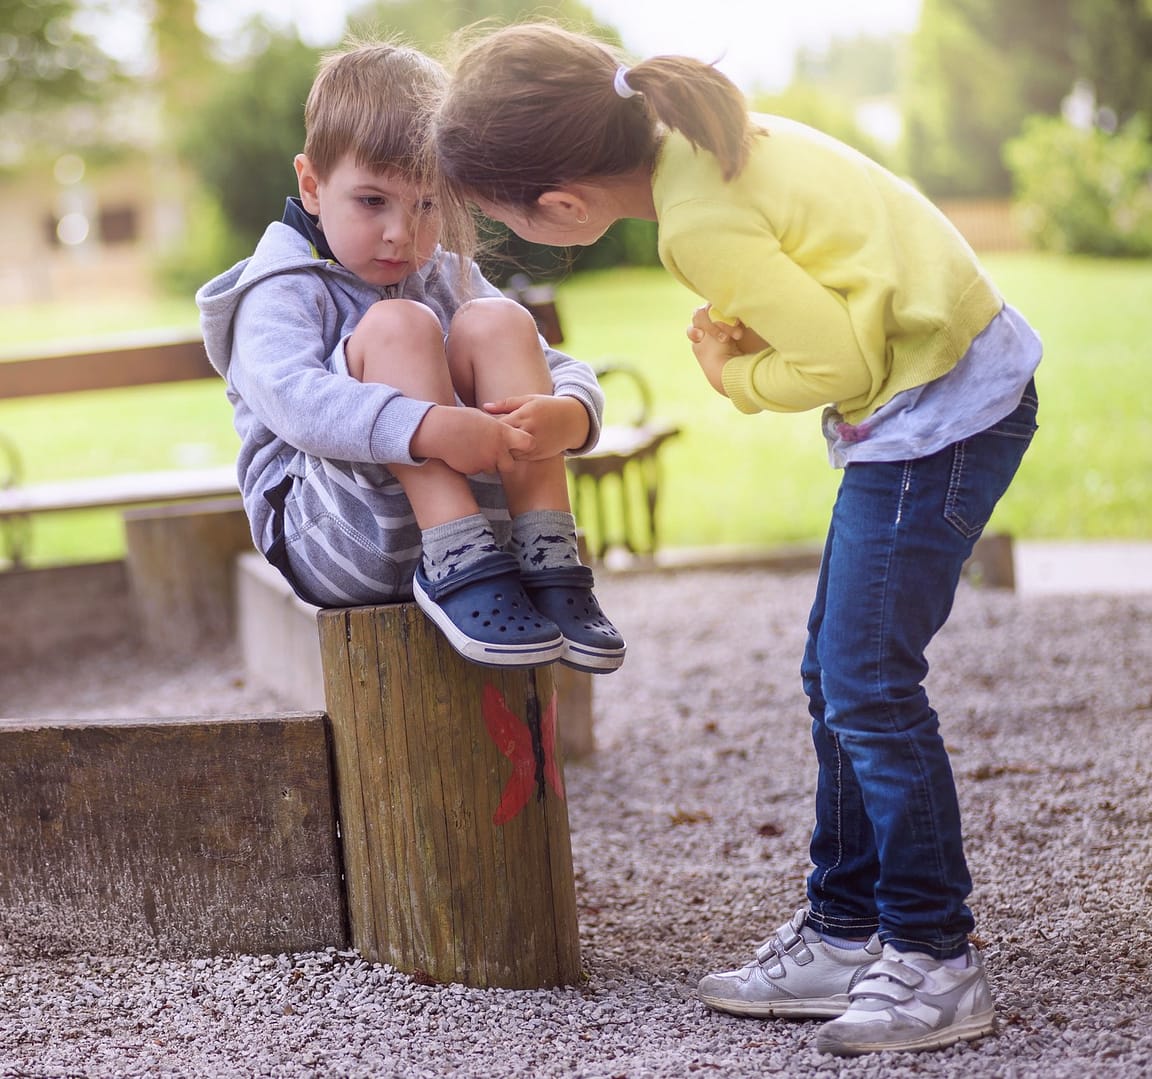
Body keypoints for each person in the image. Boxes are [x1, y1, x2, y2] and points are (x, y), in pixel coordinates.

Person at [431, 22, 1041, 1057]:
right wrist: (780, 330)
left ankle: (936, 954)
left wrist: (734, 377)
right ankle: (847, 928)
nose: (505, 238)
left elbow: (843, 362)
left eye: (503, 221)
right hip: (947, 386)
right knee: (836, 672)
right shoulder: (705, 137)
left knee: (867, 682)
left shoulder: (693, 223)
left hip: (938, 420)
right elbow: (845, 273)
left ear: (565, 204)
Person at [195, 40, 625, 674]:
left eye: (427, 205)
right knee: (399, 326)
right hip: (335, 535)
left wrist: (572, 412)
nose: (402, 232)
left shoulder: (446, 272)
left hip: (491, 545)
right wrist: (425, 426)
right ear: (312, 185)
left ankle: (548, 552)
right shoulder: (280, 289)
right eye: (373, 202)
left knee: (498, 319)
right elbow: (293, 401)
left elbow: (548, 360)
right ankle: (457, 558)